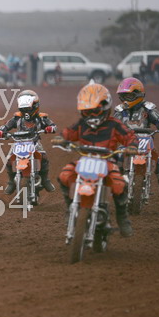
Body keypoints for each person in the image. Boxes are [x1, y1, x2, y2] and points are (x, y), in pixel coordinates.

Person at [52, 83, 138, 237]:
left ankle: (122, 218)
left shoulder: (114, 124)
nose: (91, 115)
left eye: (95, 111)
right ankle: (70, 207)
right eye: (87, 112)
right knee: (64, 175)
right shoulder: (82, 124)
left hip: (108, 162)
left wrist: (132, 146)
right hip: (85, 160)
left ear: (105, 107)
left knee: (120, 184)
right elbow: (68, 132)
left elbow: (129, 136)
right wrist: (61, 138)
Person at [114, 77, 159, 211]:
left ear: (138, 94)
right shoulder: (120, 110)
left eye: (128, 96)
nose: (125, 99)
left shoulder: (148, 108)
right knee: (114, 159)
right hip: (126, 142)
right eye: (123, 96)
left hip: (146, 141)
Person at [0, 90, 57, 194]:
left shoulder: (41, 117)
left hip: (34, 142)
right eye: (23, 109)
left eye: (28, 108)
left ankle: (45, 179)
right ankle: (11, 182)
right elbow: (6, 126)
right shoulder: (17, 118)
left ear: (35, 106)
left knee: (44, 157)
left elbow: (53, 125)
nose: (26, 111)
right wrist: (1, 131)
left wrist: (50, 128)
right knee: (9, 160)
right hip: (19, 143)